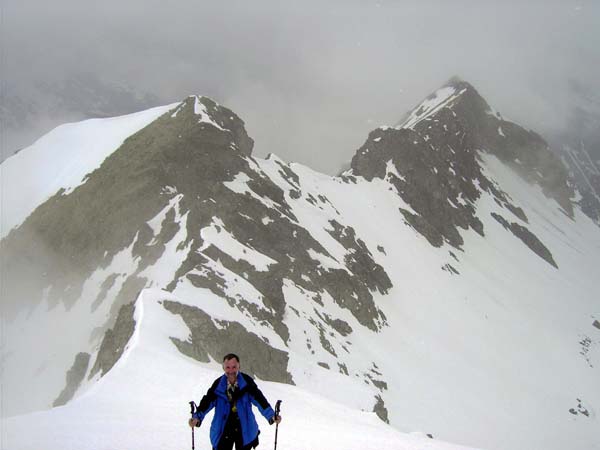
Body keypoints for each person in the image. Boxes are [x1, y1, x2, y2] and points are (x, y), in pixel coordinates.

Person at [188, 353, 282, 450]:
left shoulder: (247, 382)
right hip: (223, 427)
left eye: (234, 367)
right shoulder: (218, 385)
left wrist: (271, 416)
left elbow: (260, 400)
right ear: (223, 368)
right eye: (228, 367)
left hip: (244, 427)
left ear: (239, 366)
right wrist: (196, 418)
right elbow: (206, 403)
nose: (231, 370)